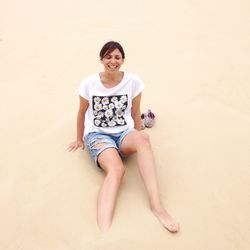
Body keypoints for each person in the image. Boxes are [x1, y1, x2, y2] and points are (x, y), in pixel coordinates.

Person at [68, 41, 180, 233]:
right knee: (117, 170)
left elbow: (135, 113)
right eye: (108, 57)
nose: (113, 61)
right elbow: (81, 113)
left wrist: (137, 134)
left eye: (117, 57)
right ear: (101, 59)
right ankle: (104, 230)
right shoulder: (89, 83)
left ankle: (157, 206)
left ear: (123, 60)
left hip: (124, 134)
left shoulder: (133, 82)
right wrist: (79, 139)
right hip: (98, 135)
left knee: (144, 139)